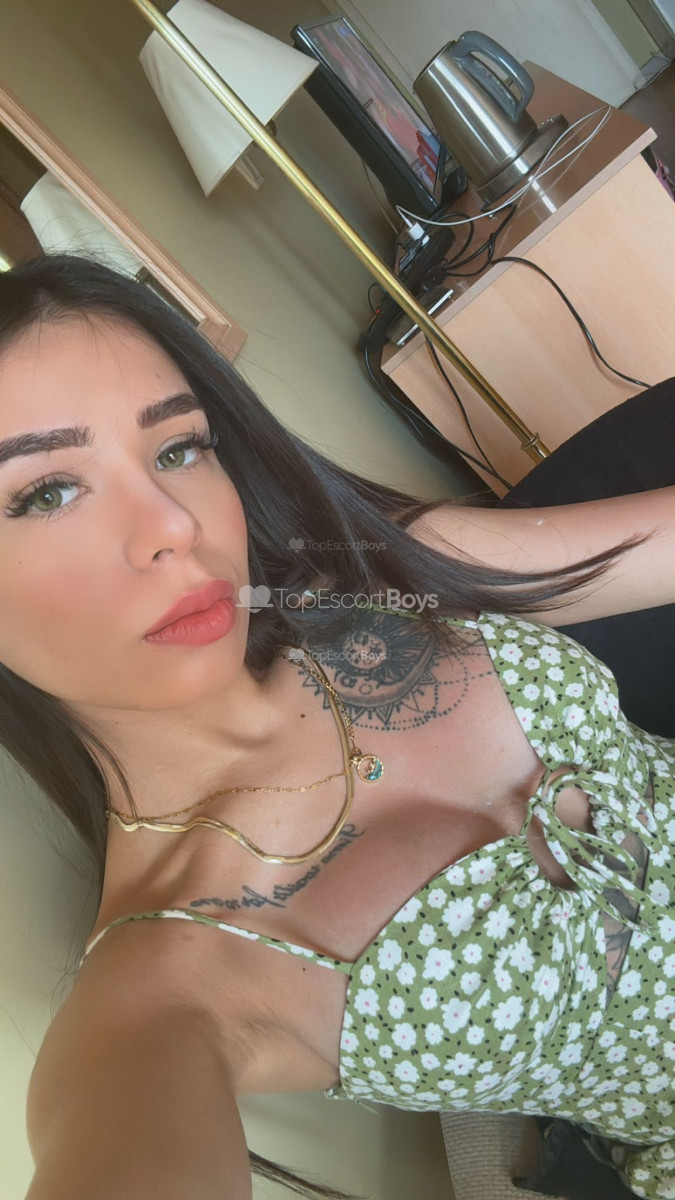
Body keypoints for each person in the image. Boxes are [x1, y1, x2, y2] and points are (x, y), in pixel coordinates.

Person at [2, 255, 673, 1200]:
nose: (173, 526)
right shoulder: (168, 991)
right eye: (46, 493)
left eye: (178, 448)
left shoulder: (362, 580)